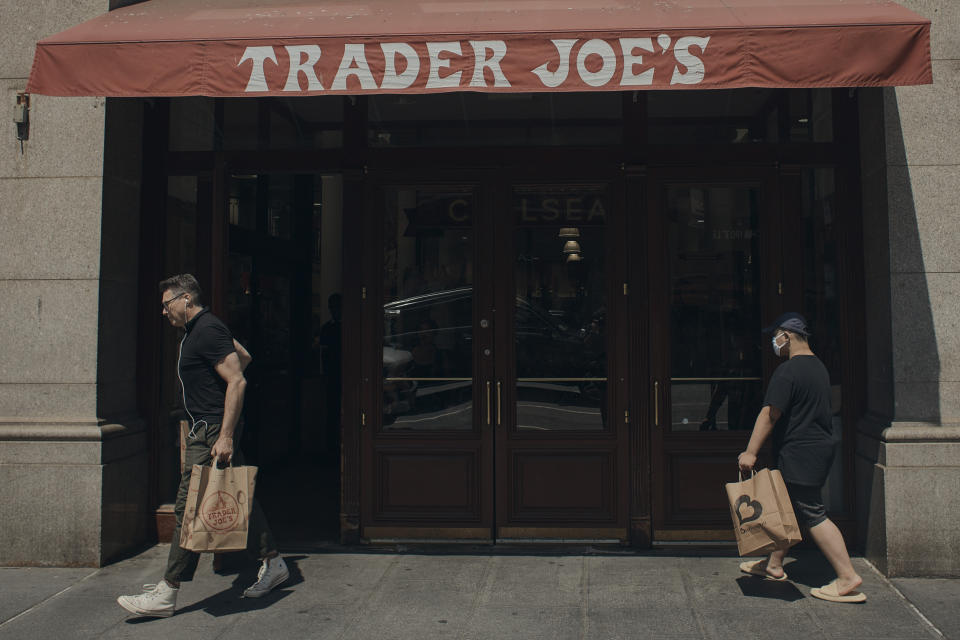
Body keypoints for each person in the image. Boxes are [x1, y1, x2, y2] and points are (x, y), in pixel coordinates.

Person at [117, 274, 288, 618]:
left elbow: (238, 379)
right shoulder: (203, 330)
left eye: (166, 305)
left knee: (190, 507)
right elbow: (244, 356)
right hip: (210, 427)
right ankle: (275, 562)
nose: (163, 312)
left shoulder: (206, 330)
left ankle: (168, 590)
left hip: (211, 432)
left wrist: (224, 435)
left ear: (185, 300)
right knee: (238, 497)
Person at [736, 312, 865, 604]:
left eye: (776, 336)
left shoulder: (788, 371)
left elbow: (770, 413)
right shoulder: (818, 367)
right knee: (787, 507)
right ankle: (773, 564)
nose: (774, 342)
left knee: (811, 512)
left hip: (800, 451)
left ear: (787, 336)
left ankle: (847, 577)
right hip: (816, 448)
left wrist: (750, 452)